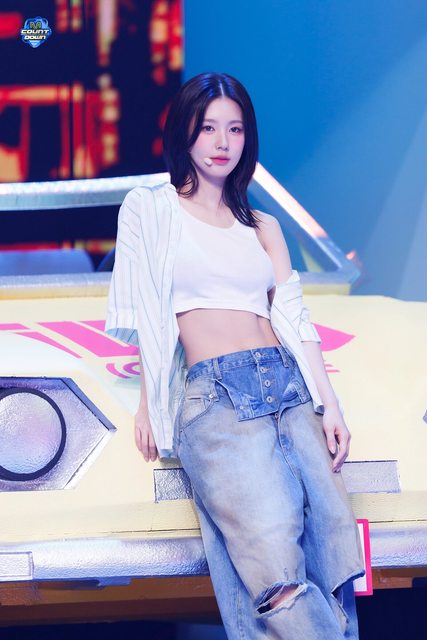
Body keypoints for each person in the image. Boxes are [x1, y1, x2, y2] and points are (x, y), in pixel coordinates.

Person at [105, 72, 365, 640]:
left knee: (332, 559)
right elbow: (144, 312)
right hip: (217, 399)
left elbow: (293, 318)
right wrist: (149, 403)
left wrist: (330, 405)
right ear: (185, 133)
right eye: (208, 128)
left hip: (290, 391)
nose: (222, 143)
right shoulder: (150, 209)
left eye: (235, 129)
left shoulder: (263, 225)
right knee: (275, 574)